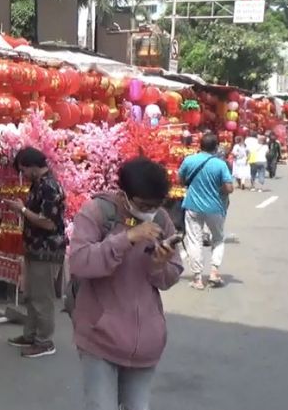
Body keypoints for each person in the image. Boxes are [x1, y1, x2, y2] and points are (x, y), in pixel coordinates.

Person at [69, 157, 183, 410]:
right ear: (124, 196)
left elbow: (171, 274)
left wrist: (160, 264)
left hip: (146, 343)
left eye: (157, 204)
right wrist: (127, 238)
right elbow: (79, 262)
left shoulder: (161, 219)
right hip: (100, 337)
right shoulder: (97, 212)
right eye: (144, 205)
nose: (150, 211)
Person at [4, 147, 67, 358]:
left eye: (23, 170)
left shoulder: (50, 187)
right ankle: (31, 334)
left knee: (43, 298)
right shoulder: (39, 184)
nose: (22, 175)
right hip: (34, 248)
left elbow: (49, 223)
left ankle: (44, 341)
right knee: (31, 295)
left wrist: (22, 210)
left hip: (46, 250)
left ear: (32, 166)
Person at [179, 134, 235, 289]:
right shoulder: (220, 164)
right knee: (217, 239)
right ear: (216, 147)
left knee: (194, 240)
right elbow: (229, 188)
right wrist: (218, 188)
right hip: (215, 208)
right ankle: (214, 272)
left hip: (193, 206)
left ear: (200, 145)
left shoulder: (189, 160)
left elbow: (181, 180)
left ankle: (197, 279)